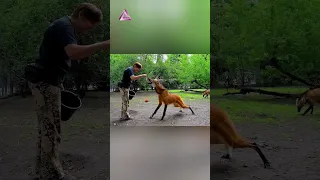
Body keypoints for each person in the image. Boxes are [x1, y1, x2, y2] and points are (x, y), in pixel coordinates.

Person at [25, 3, 110, 180]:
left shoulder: (65, 26)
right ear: (80, 15)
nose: (89, 29)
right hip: (46, 83)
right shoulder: (64, 26)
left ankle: (42, 173)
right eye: (90, 24)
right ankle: (54, 175)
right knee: (51, 131)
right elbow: (73, 52)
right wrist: (103, 44)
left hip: (48, 82)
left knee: (47, 129)